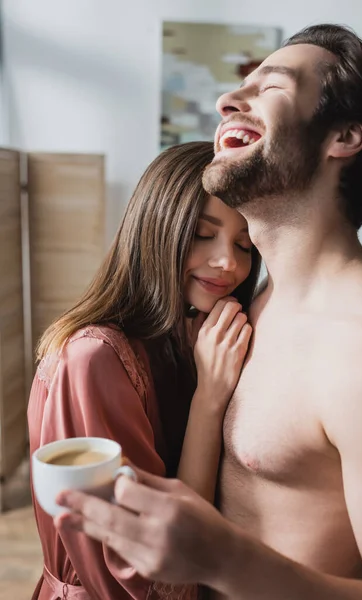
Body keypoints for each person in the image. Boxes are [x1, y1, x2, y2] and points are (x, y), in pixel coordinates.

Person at [56, 23, 362, 600]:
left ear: (343, 138)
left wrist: (224, 557)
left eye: (273, 87)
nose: (226, 101)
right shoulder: (251, 301)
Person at [28, 140, 261, 600]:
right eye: (201, 232)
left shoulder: (188, 336)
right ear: (157, 226)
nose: (228, 263)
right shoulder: (93, 358)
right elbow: (150, 573)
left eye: (245, 244)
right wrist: (209, 400)